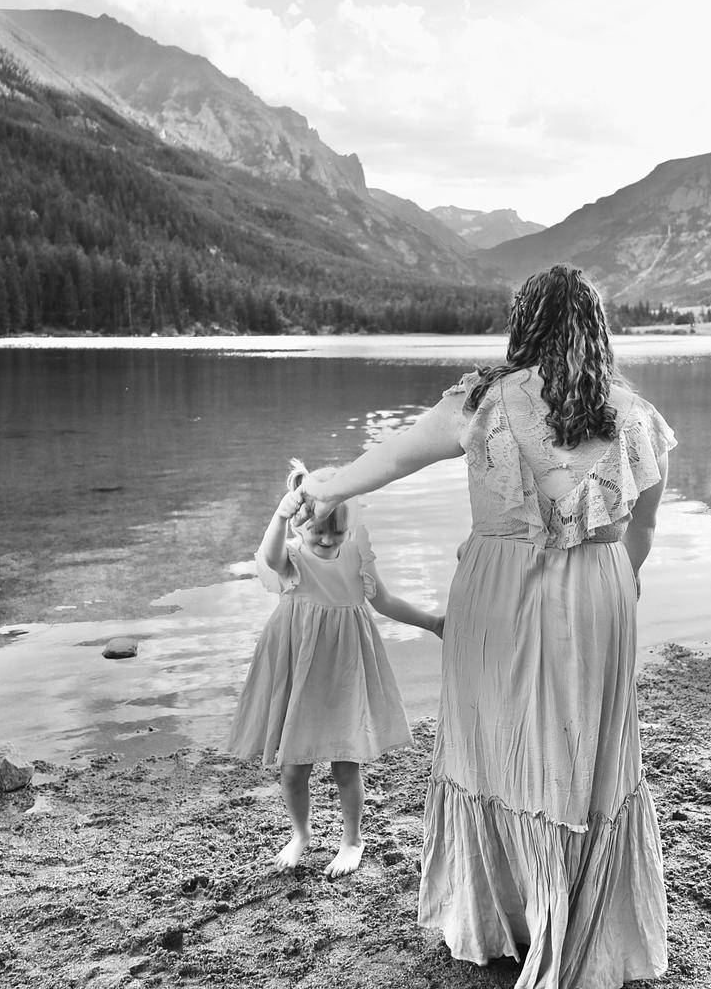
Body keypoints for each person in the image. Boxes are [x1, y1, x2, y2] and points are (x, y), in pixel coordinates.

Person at [296, 264, 673, 987]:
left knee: (493, 740)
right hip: (599, 596)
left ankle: (506, 917)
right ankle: (581, 921)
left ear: (523, 324)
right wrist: (604, 589)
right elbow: (644, 533)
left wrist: (322, 489)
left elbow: (387, 460)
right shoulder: (635, 417)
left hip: (495, 591)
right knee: (582, 754)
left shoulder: (480, 402)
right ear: (597, 331)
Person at [227, 459, 444, 878]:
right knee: (293, 766)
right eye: (317, 532)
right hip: (297, 664)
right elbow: (269, 556)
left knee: (346, 761)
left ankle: (352, 840)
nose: (327, 540)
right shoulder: (291, 558)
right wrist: (279, 515)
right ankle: (300, 834)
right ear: (299, 526)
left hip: (344, 665)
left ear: (350, 527)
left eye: (337, 533)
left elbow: (384, 601)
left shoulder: (357, 551)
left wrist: (432, 622)